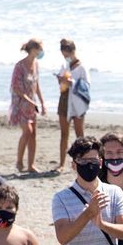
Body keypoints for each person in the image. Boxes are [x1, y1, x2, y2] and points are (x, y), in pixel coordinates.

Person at [10, 38, 46, 173]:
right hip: (21, 104)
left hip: (32, 104)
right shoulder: (19, 66)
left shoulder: (36, 64)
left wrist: (42, 102)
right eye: (40, 49)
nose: (42, 52)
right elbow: (16, 88)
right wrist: (31, 102)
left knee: (33, 134)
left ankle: (31, 164)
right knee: (27, 131)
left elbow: (37, 85)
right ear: (33, 50)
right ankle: (19, 161)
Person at [54, 40, 89, 171]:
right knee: (64, 133)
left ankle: (84, 160)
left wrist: (71, 82)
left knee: (79, 134)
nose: (65, 57)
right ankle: (62, 164)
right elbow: (62, 83)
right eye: (63, 55)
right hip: (64, 100)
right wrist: (61, 80)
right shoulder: (65, 65)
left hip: (78, 102)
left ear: (73, 52)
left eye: (67, 54)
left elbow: (86, 85)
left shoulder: (81, 67)